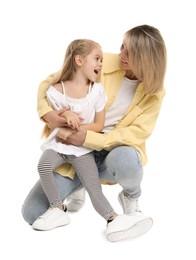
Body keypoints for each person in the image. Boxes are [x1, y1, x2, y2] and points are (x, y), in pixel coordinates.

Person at [22, 24, 167, 242]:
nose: (121, 54)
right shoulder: (102, 62)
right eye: (122, 47)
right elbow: (49, 84)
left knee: (127, 159)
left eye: (129, 52)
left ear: (146, 59)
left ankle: (130, 197)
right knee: (32, 214)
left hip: (110, 155)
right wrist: (50, 116)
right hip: (74, 149)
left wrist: (89, 137)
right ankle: (74, 189)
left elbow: (135, 135)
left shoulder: (154, 94)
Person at [31, 39, 121, 231]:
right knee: (44, 166)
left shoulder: (96, 92)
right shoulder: (57, 90)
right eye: (97, 59)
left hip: (81, 149)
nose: (101, 64)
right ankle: (57, 208)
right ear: (79, 61)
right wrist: (66, 114)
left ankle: (112, 218)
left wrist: (76, 129)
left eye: (102, 60)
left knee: (93, 186)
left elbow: (98, 125)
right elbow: (52, 117)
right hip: (59, 144)